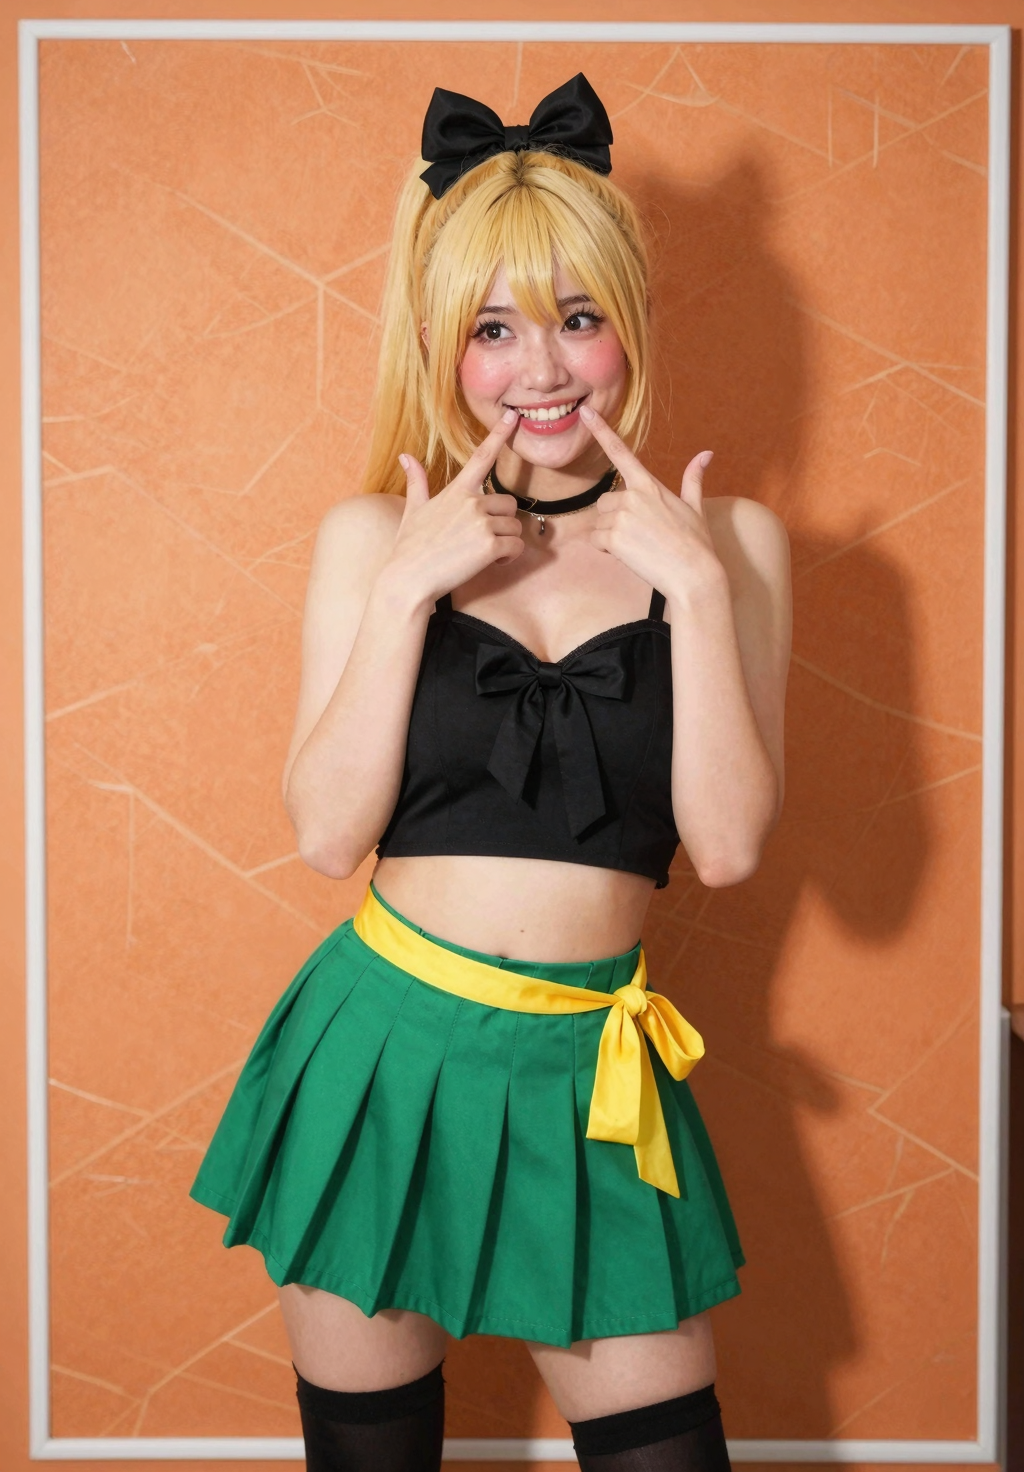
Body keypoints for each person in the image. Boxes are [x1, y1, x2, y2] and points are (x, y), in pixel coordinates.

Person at [190, 73, 791, 1472]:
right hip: (378, 1054)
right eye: (493, 329)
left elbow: (729, 847)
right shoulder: (371, 539)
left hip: (592, 1072)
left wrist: (699, 594)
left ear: (628, 323)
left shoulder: (733, 546)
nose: (542, 369)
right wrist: (409, 591)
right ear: (439, 343)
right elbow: (326, 837)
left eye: (578, 319)